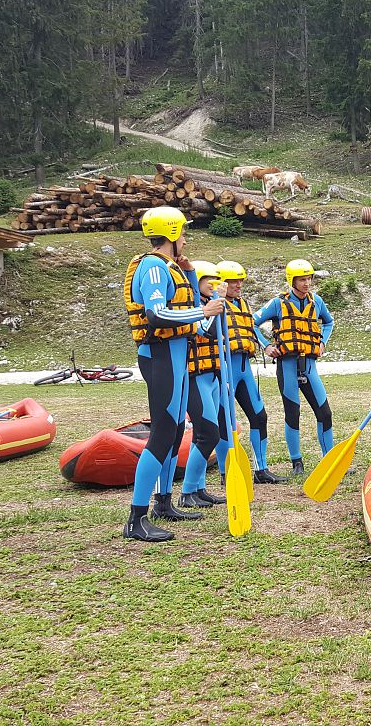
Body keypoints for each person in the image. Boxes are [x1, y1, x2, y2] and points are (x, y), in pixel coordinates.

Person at [121, 206, 224, 541]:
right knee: (163, 434)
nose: (186, 237)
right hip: (161, 356)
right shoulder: (152, 265)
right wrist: (204, 309)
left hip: (177, 357)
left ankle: (164, 503)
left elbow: (191, 312)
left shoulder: (172, 267)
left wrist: (191, 275)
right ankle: (136, 519)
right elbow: (156, 314)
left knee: (175, 429)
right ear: (172, 233)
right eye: (183, 232)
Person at [254, 259, 336, 479]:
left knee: (324, 413)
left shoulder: (316, 301)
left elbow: (328, 322)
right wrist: (267, 346)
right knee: (293, 413)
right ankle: (296, 461)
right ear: (292, 280)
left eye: (309, 278)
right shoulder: (277, 304)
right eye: (302, 279)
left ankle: (329, 459)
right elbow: (252, 323)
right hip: (287, 365)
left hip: (309, 366)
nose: (307, 283)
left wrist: (323, 343)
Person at [216, 260, 276, 484]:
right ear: (222, 283)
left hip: (244, 368)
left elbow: (250, 330)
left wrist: (266, 345)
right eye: (233, 281)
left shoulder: (243, 304)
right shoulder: (215, 304)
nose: (239, 284)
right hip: (226, 368)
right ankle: (226, 473)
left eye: (240, 280)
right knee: (225, 421)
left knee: (259, 416)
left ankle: (261, 469)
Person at [177, 260, 227, 510]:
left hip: (213, 377)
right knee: (209, 435)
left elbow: (221, 337)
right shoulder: (193, 310)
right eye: (209, 279)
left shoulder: (212, 307)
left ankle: (198, 489)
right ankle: (187, 492)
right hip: (196, 379)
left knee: (203, 435)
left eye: (216, 279)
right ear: (196, 283)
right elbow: (204, 333)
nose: (213, 284)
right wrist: (212, 308)